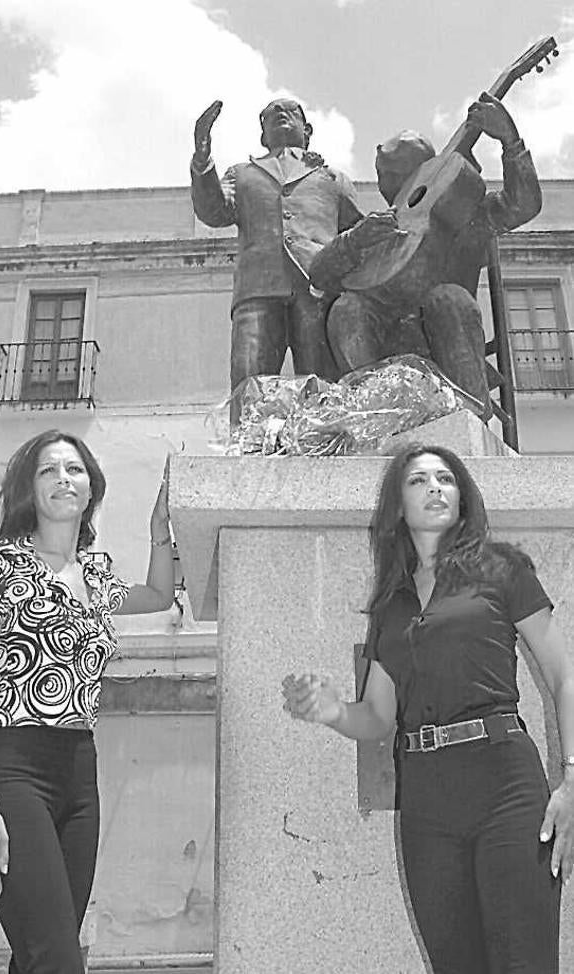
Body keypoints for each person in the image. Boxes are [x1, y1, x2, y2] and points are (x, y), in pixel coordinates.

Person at [284, 443, 574, 974]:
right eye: (419, 481)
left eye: (446, 478)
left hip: (505, 783)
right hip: (427, 801)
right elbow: (376, 716)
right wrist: (331, 712)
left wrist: (572, 781)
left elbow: (563, 674)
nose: (435, 487)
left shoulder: (502, 569)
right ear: (399, 506)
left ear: (463, 498)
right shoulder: (392, 606)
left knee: (524, 962)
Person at [0, 430, 175, 974]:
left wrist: (158, 530)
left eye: (74, 470)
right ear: (29, 488)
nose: (62, 479)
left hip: (80, 774)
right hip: (14, 770)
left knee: (41, 955)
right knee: (56, 959)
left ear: (90, 487)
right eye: (48, 470)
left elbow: (159, 594)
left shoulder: (95, 575)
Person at [308, 93, 543, 420]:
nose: (386, 182)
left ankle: (468, 416)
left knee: (449, 298)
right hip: (382, 351)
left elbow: (523, 205)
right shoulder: (374, 229)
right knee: (348, 307)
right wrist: (352, 241)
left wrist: (510, 141)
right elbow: (318, 274)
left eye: (393, 173)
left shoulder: (462, 218)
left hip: (443, 340)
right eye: (384, 174)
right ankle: (373, 415)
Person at [190, 97, 363, 419]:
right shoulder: (241, 174)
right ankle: (247, 451)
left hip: (317, 288)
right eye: (271, 115)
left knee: (322, 384)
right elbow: (213, 211)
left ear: (307, 129)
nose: (280, 114)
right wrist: (202, 161)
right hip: (258, 286)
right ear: (262, 136)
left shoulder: (333, 178)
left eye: (291, 112)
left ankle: (324, 447)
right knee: (249, 379)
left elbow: (358, 235)